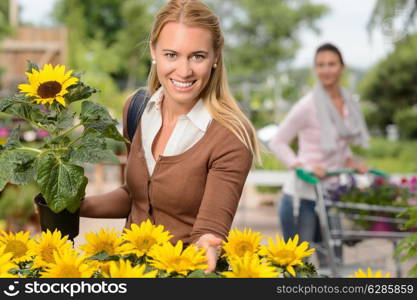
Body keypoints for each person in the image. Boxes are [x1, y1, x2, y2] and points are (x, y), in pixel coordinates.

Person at [80, 0, 260, 273]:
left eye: (197, 56)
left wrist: (209, 245)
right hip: (128, 272)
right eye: (171, 55)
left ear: (215, 57)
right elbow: (138, 196)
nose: (184, 70)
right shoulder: (138, 109)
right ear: (154, 51)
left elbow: (210, 228)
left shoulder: (230, 134)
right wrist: (75, 206)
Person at [268, 43, 370, 265]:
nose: (326, 70)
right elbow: (278, 142)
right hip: (302, 196)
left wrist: (351, 161)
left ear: (342, 67)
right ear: (315, 69)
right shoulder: (307, 105)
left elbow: (339, 145)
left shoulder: (349, 103)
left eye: (331, 64)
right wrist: (302, 166)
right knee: (298, 267)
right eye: (320, 65)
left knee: (333, 263)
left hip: (331, 195)